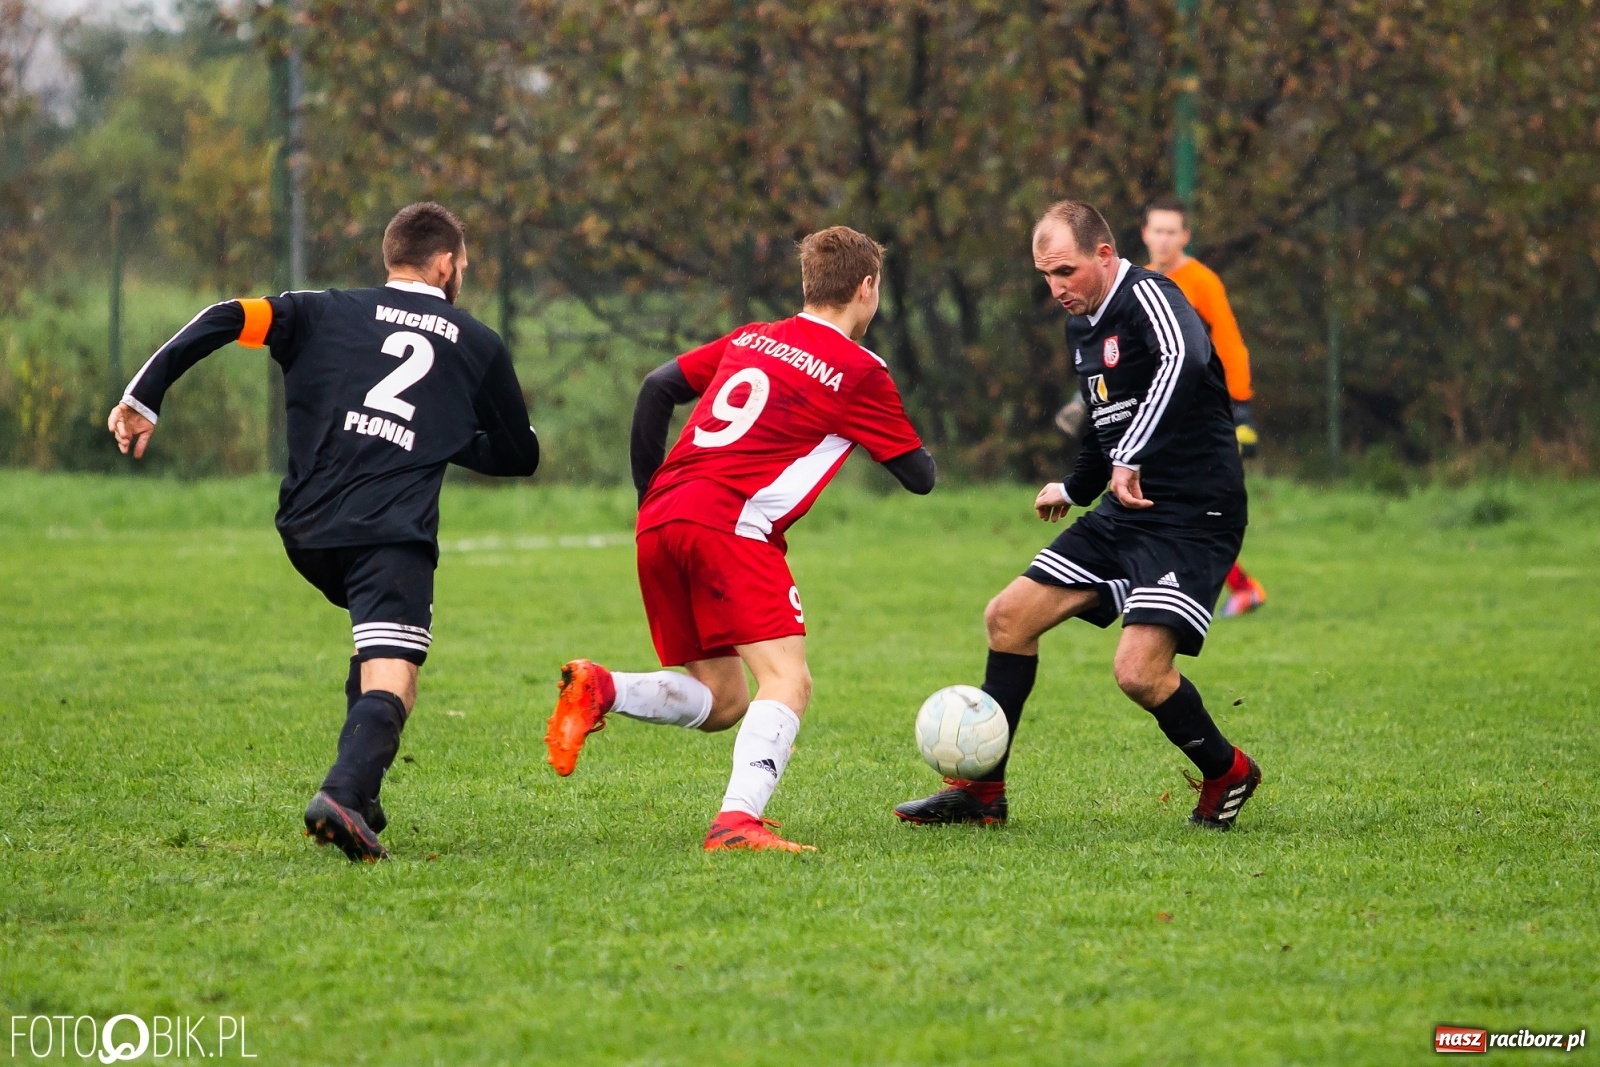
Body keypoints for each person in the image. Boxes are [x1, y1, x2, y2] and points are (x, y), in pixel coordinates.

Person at [106, 202, 541, 862]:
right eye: (465, 267)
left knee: (374, 651)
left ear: (391, 257)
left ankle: (361, 796)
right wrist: (441, 437)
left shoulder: (322, 309)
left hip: (308, 526)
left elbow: (224, 316)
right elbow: (520, 454)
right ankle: (342, 792)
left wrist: (144, 395)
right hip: (389, 532)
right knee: (395, 678)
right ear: (447, 264)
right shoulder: (476, 341)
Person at [544, 226, 936, 852]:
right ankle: (736, 822)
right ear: (867, 288)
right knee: (789, 680)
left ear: (809, 284)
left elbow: (657, 387)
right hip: (730, 524)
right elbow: (920, 477)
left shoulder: (755, 337)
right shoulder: (862, 370)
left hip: (664, 517)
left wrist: (651, 495)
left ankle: (602, 687)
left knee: (724, 700)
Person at [895, 200, 1262, 830]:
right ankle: (981, 794)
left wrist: (1133, 456)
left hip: (1193, 514)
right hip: (1126, 510)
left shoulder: (1151, 295)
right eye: (1045, 276)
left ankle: (1228, 771)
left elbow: (1186, 363)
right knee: (1008, 618)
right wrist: (1076, 484)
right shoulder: (1083, 326)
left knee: (1138, 673)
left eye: (1066, 270)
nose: (1057, 288)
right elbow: (1105, 421)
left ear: (1104, 253)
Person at [1141, 198, 1266, 617]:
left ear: (1185, 237)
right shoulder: (1137, 282)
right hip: (1154, 412)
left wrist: (1242, 405)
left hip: (1197, 413)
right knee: (1159, 502)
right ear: (1145, 234)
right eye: (1157, 230)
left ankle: (1238, 587)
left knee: (1184, 504)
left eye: (1171, 232)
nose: (1163, 239)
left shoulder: (1202, 282)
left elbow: (1229, 343)